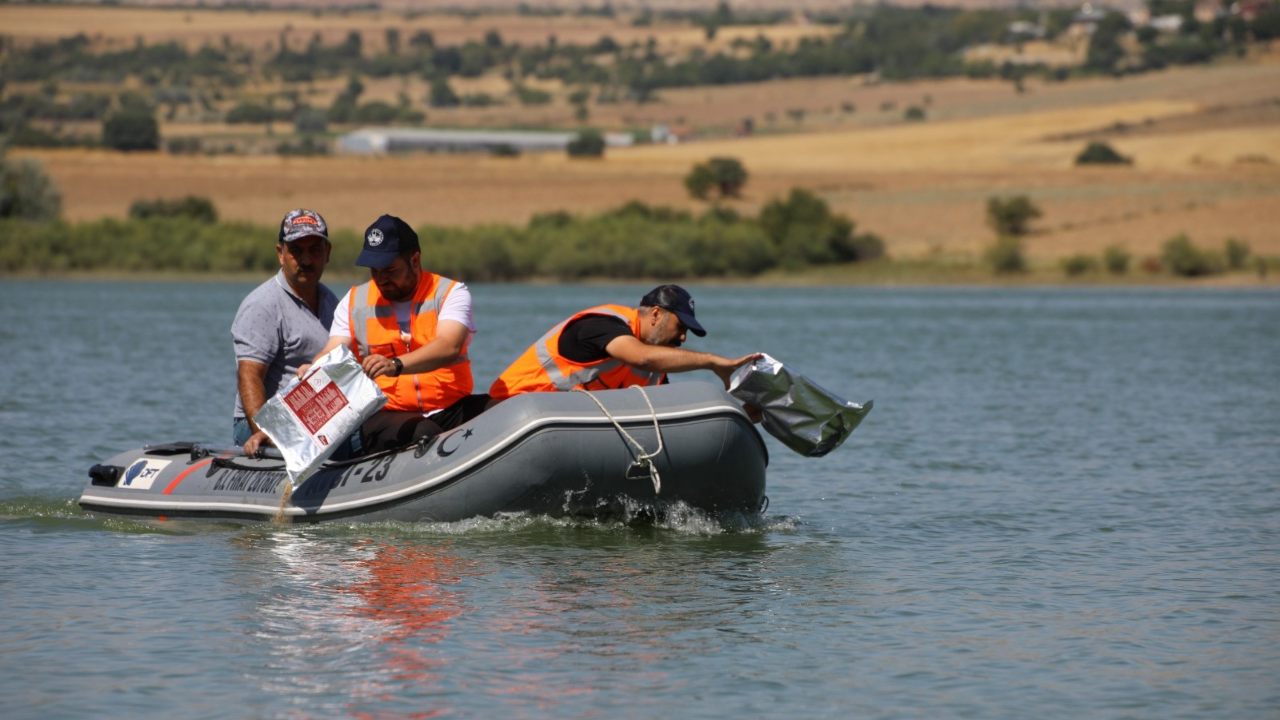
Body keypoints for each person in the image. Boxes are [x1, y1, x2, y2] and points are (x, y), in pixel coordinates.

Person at [303, 214, 485, 453]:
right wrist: (314, 367)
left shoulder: (451, 293)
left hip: (450, 407)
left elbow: (448, 345)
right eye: (374, 271)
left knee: (506, 409)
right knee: (424, 432)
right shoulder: (354, 301)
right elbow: (334, 349)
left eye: (389, 270)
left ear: (415, 260)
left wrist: (395, 365)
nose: (381, 279)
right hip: (387, 415)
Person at [488, 284, 761, 400]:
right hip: (511, 414)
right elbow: (639, 356)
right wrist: (711, 362)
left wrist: (740, 409)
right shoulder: (601, 324)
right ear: (656, 314)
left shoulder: (657, 368)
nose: (682, 338)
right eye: (680, 327)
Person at [231, 208, 337, 456]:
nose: (307, 260)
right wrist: (266, 431)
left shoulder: (332, 302)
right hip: (261, 423)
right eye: (297, 251)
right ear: (281, 254)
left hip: (317, 418)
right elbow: (249, 376)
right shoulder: (263, 304)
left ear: (327, 253)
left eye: (314, 250)